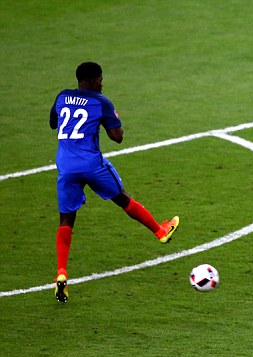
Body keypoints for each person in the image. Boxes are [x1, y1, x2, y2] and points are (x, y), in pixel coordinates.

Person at [49, 62, 179, 303]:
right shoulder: (101, 102)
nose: (102, 83)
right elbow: (117, 137)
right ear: (89, 80)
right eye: (99, 79)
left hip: (65, 166)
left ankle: (61, 273)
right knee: (122, 198)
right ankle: (160, 231)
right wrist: (110, 116)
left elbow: (53, 123)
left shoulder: (62, 96)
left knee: (66, 220)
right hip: (91, 164)